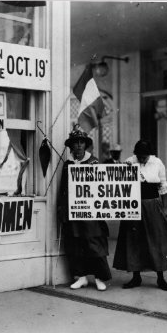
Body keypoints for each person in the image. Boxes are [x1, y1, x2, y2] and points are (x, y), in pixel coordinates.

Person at [113, 140, 167, 291]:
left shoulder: (157, 163)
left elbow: (163, 186)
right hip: (133, 204)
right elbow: (118, 183)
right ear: (135, 154)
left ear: (149, 155)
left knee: (157, 241)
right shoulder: (129, 162)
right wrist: (126, 170)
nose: (142, 159)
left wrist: (164, 208)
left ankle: (161, 278)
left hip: (152, 205)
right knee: (133, 240)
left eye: (145, 157)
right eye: (140, 156)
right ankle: (136, 277)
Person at [57, 124, 111, 291]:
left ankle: (100, 277)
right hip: (73, 212)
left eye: (81, 142)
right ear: (71, 145)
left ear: (85, 144)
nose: (78, 145)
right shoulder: (67, 164)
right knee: (75, 244)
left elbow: (104, 187)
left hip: (91, 212)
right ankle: (81, 277)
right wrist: (61, 208)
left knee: (93, 243)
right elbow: (63, 189)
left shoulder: (94, 162)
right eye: (75, 142)